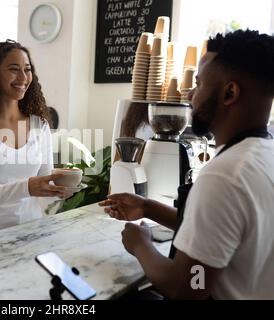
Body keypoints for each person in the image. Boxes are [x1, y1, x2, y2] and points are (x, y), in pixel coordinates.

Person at [100, 29, 274, 299]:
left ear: (229, 92)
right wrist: (147, 207)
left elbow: (189, 287)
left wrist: (140, 245)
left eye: (199, 83)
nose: (191, 95)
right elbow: (224, 233)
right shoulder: (265, 155)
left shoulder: (224, 176)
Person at [0, 40, 72, 238]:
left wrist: (59, 190)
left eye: (27, 69)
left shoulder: (40, 125)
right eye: (13, 69)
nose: (23, 77)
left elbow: (45, 180)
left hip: (31, 234)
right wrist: (27, 187)